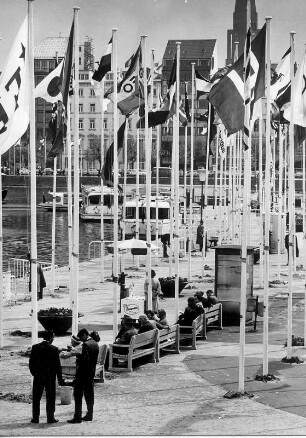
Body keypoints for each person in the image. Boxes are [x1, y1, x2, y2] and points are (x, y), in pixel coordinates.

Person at [29, 330, 64, 424]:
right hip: (50, 377)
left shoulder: (35, 347)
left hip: (38, 377)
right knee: (50, 398)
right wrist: (60, 379)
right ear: (51, 338)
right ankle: (50, 418)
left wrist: (34, 373)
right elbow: (57, 366)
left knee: (36, 398)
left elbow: (31, 363)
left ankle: (35, 418)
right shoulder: (54, 349)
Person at [67, 328, 99, 423]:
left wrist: (77, 356)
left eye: (81, 337)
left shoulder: (85, 345)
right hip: (91, 373)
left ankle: (77, 417)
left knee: (78, 395)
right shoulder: (95, 343)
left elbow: (84, 360)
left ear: (85, 335)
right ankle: (90, 414)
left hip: (82, 374)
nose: (81, 339)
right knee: (89, 395)